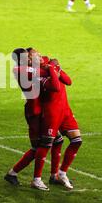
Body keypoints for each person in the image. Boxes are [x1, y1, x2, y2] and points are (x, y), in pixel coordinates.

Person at [4, 48, 61, 191]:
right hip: (33, 112)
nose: (29, 58)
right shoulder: (20, 70)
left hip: (39, 111)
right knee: (39, 147)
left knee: (56, 140)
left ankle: (53, 175)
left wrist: (47, 62)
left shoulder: (27, 67)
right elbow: (43, 72)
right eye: (26, 57)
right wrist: (52, 67)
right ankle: (30, 177)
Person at [39, 58, 83, 190]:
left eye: (39, 54)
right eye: (34, 54)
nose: (39, 56)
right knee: (47, 144)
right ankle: (37, 178)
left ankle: (61, 173)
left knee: (77, 140)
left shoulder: (48, 64)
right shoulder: (37, 73)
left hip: (65, 110)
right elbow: (56, 87)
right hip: (51, 112)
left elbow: (68, 81)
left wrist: (54, 67)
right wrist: (53, 69)